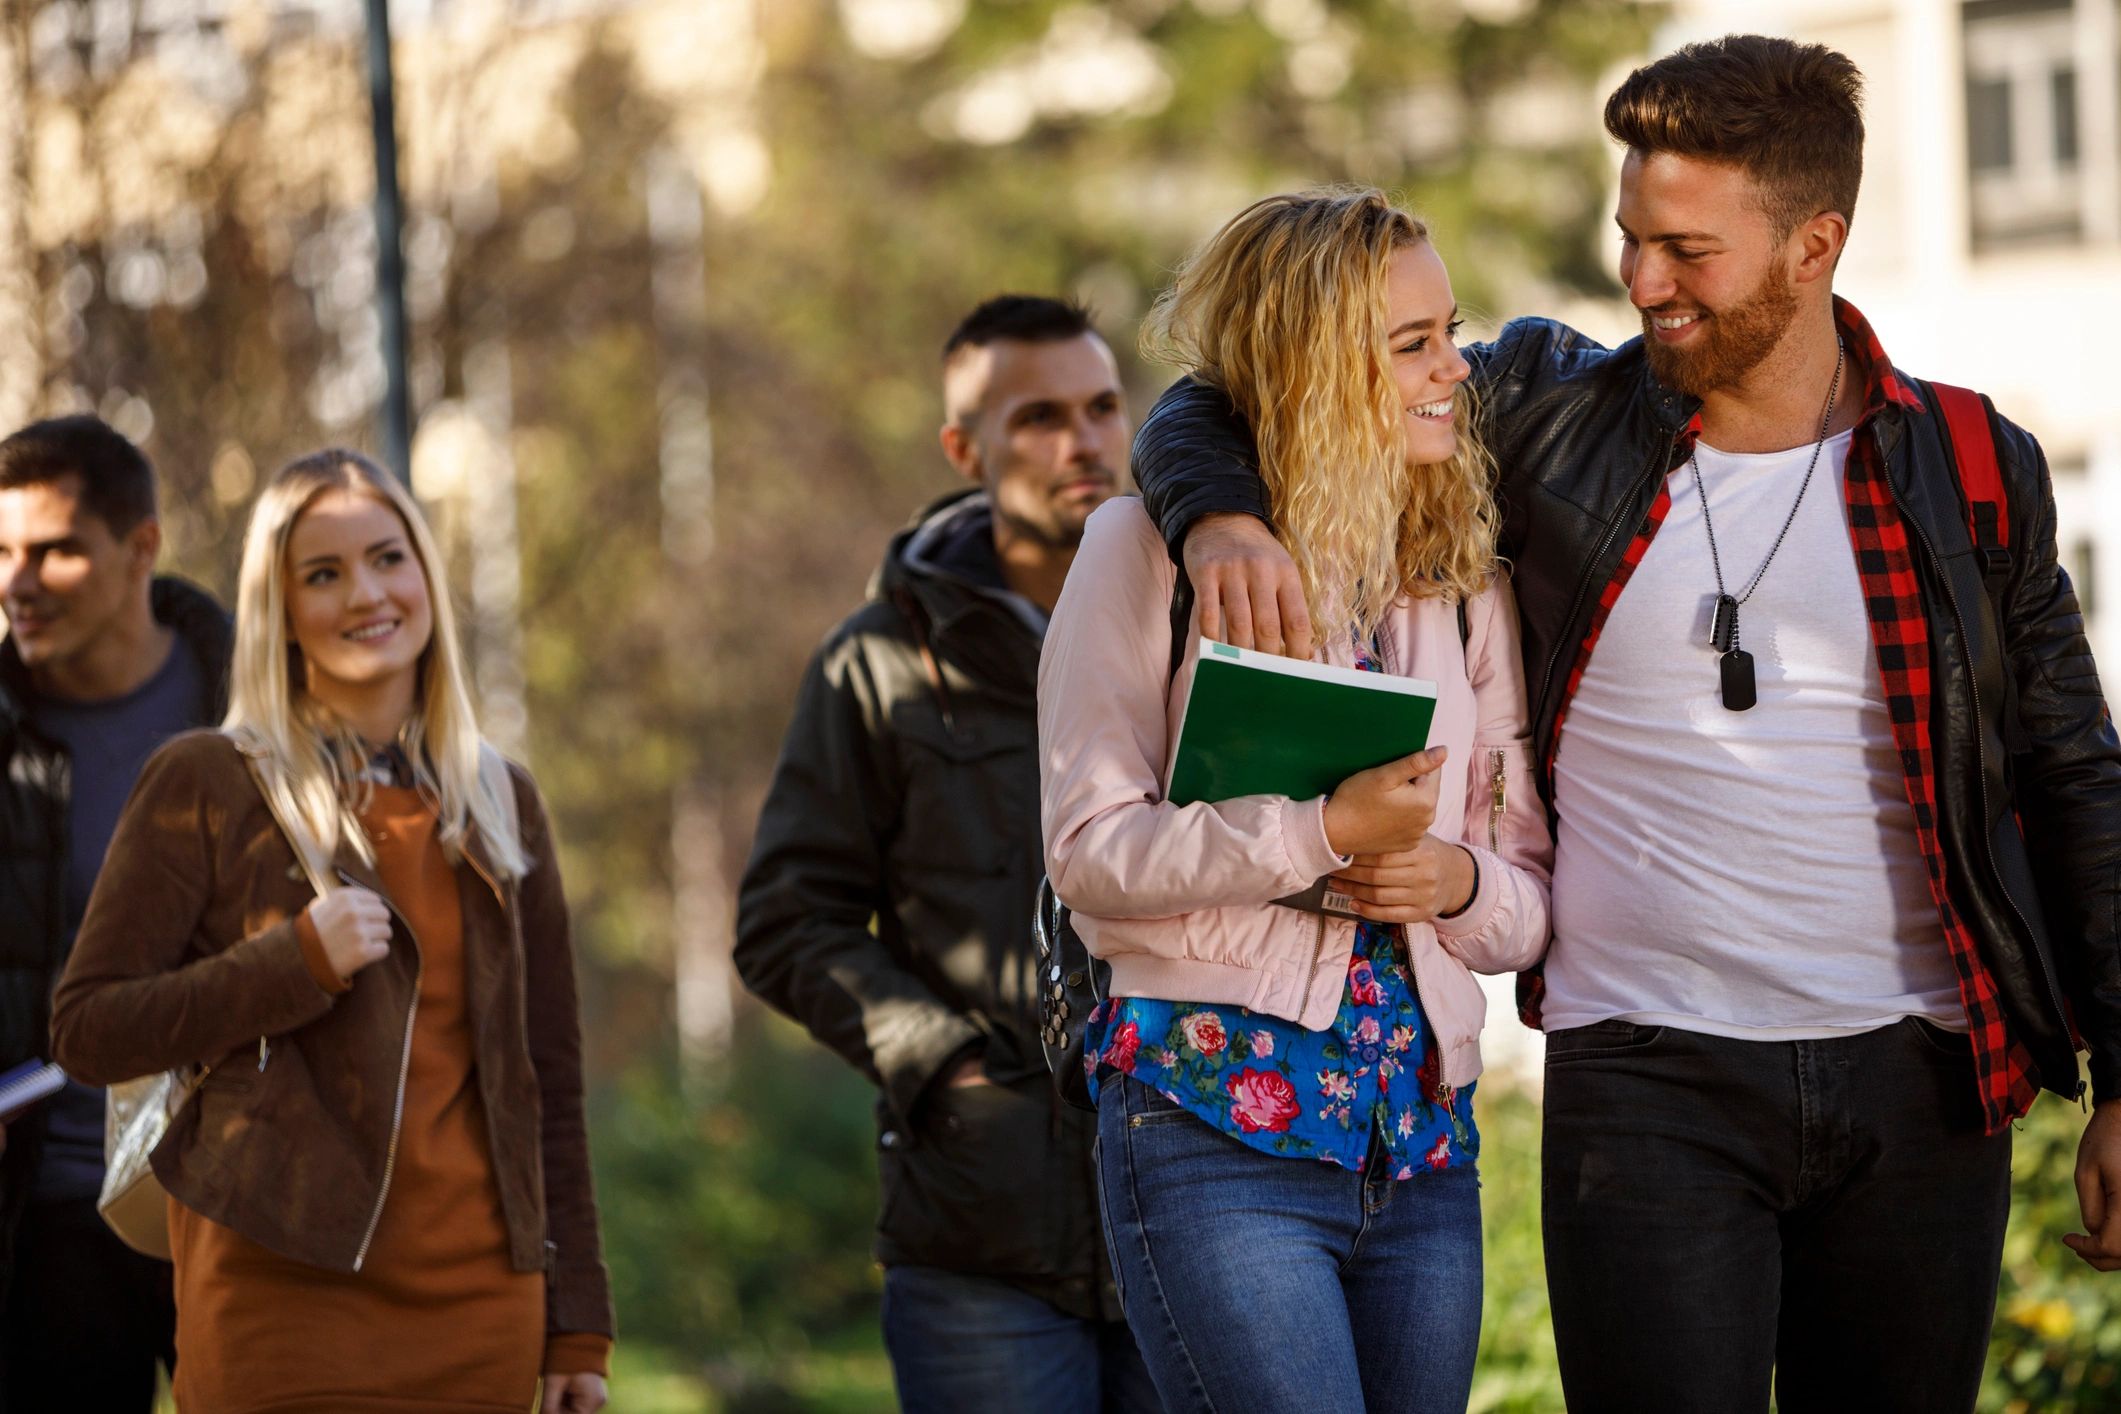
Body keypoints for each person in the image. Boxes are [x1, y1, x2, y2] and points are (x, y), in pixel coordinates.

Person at [1130, 35, 2121, 1414]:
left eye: (1687, 250)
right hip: (1644, 1084)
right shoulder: (1549, 411)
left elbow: (2075, 773)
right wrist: (1218, 512)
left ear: (1813, 245)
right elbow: (1242, 387)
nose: (1642, 280)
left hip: (1919, 1079)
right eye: (1630, 237)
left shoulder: (1966, 464)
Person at [1040, 189, 1554, 1414]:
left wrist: (1458, 884)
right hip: (1210, 1127)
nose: (1455, 370)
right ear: (1316, 371)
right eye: (1412, 344)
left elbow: (1529, 894)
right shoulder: (1141, 551)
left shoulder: (1461, 582)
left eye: (1450, 332)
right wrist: (1318, 834)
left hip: (1423, 1147)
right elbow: (1090, 854)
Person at [50, 448, 614, 1413]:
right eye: (323, 573)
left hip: (481, 1314)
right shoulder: (207, 780)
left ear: (425, 575)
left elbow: (546, 1081)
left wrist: (577, 1325)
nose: (366, 594)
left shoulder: (499, 801)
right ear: (280, 610)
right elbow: (88, 1029)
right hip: (279, 1308)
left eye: (388, 558)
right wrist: (294, 963)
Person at [735, 295, 1157, 1413]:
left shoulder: (1196, 624)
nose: (1083, 442)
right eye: (1039, 418)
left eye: (1101, 407)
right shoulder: (877, 665)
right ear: (964, 450)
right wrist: (938, 1062)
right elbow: (786, 920)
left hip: (1190, 1210)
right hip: (979, 1235)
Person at [0, 416, 222, 1409]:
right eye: (1, 552)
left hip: (236, 1195)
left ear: (142, 548)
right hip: (49, 1221)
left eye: (54, 551)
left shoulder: (257, 702)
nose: (17, 583)